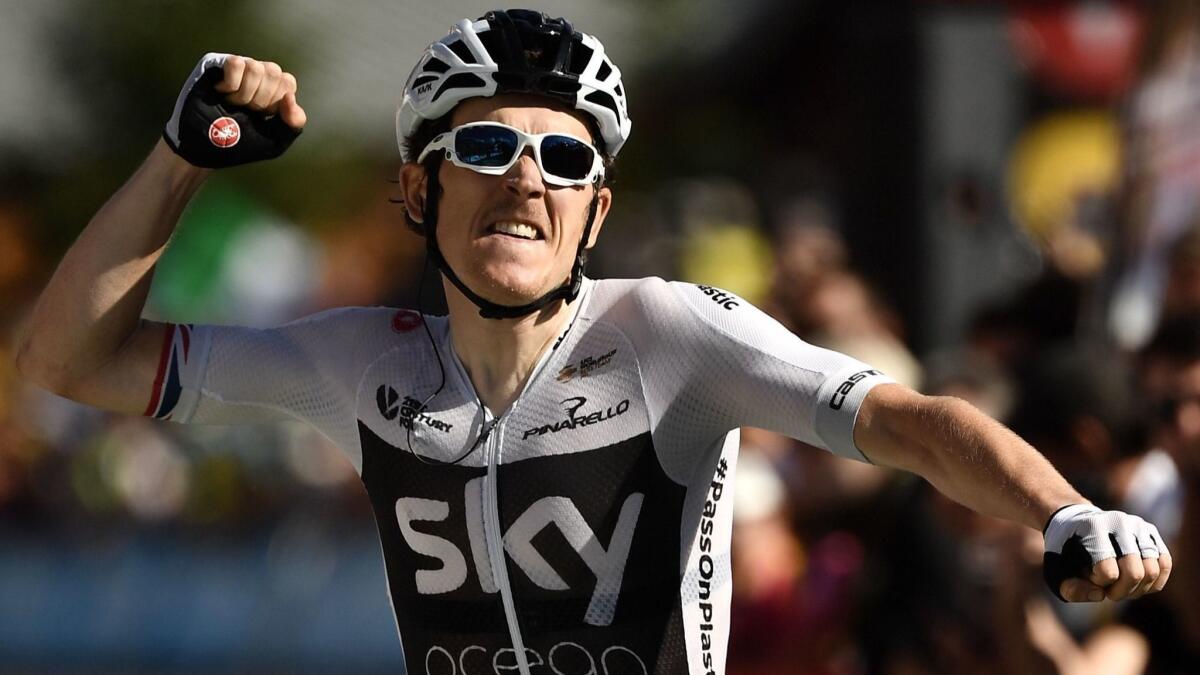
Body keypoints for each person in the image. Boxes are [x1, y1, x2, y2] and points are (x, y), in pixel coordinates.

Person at [12, 9, 1174, 675]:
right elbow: (64, 363)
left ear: (595, 214)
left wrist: (1067, 513)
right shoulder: (359, 361)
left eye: (566, 161)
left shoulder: (668, 333)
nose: (527, 179)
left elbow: (914, 424)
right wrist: (181, 160)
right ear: (417, 192)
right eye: (486, 151)